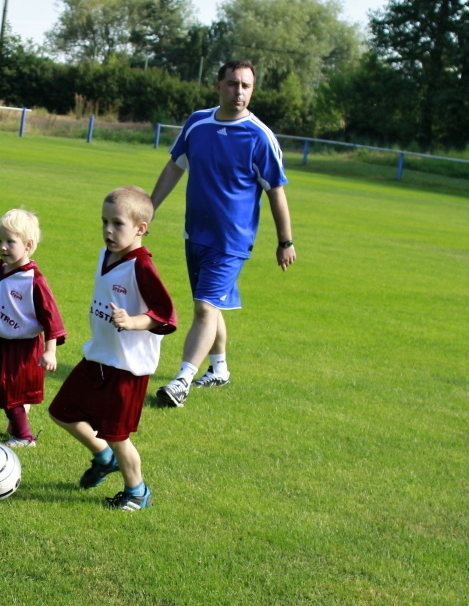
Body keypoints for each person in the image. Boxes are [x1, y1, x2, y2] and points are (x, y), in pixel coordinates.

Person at [150, 60, 296, 409]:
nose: (239, 91)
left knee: (203, 307)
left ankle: (182, 380)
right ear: (218, 86)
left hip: (232, 241)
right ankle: (219, 369)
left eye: (246, 86)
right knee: (212, 306)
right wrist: (148, 210)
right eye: (232, 84)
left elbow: (276, 190)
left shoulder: (260, 137)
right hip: (195, 233)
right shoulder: (198, 123)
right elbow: (174, 167)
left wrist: (285, 241)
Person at [48, 186, 177, 510]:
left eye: (117, 223)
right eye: (104, 221)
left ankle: (137, 491)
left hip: (128, 367)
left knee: (117, 434)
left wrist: (134, 321)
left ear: (140, 228)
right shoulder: (105, 254)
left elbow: (166, 314)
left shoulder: (141, 266)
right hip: (98, 355)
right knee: (61, 412)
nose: (108, 229)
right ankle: (104, 457)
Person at [0, 208, 66, 447]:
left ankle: (24, 437)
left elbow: (52, 319)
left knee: (10, 391)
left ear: (28, 245)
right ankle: (18, 419)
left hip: (23, 348)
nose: (3, 247)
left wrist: (50, 351)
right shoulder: (1, 269)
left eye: (10, 242)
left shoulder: (34, 281)